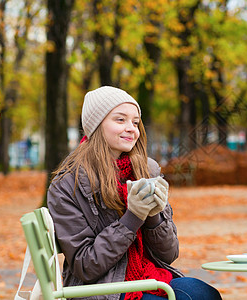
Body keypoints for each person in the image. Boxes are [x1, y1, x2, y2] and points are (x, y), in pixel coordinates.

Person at [47, 86, 222, 300]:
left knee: (204, 294)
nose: (131, 128)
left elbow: (169, 255)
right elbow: (85, 266)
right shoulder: (68, 184)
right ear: (96, 125)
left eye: (135, 122)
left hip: (147, 274)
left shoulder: (147, 171)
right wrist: (133, 217)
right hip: (101, 289)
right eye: (120, 120)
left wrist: (154, 216)